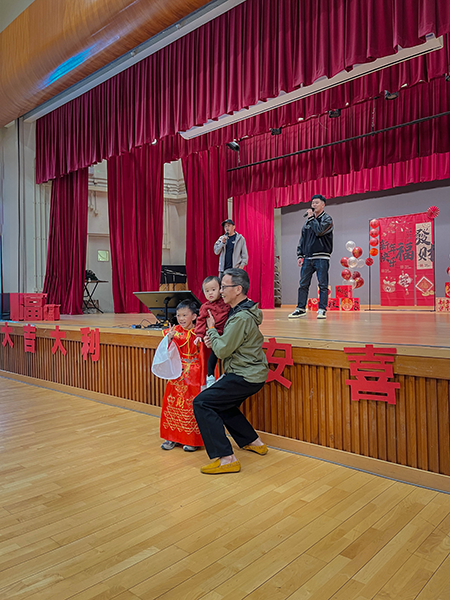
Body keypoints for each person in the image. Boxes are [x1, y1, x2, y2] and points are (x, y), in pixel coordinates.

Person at [193, 268, 269, 474]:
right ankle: (253, 442)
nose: (220, 291)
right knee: (223, 405)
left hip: (245, 374)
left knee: (202, 402)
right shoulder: (241, 311)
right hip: (250, 372)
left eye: (224, 287)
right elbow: (226, 343)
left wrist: (211, 330)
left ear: (238, 289)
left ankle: (227, 458)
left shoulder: (240, 317)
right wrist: (215, 338)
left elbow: (222, 350)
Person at [160, 300, 204, 452]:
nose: (181, 318)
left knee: (191, 405)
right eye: (178, 315)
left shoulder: (200, 332)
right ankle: (172, 437)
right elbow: (164, 350)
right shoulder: (175, 331)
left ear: (194, 316)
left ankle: (192, 440)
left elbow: (205, 353)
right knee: (172, 403)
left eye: (184, 315)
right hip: (177, 372)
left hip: (195, 373)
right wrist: (169, 339)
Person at [289, 194, 333, 320]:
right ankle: (300, 308)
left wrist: (311, 218)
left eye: (316, 203)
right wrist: (300, 255)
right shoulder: (308, 221)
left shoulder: (327, 219)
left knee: (323, 285)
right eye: (313, 203)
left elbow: (319, 231)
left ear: (323, 204)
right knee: (303, 284)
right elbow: (303, 239)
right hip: (308, 258)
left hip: (322, 257)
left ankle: (322, 309)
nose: (314, 205)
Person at [194, 276, 230, 388]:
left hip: (227, 333)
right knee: (213, 356)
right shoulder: (205, 307)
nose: (210, 293)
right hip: (214, 334)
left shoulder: (227, 301)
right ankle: (210, 376)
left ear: (220, 289)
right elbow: (200, 321)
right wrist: (199, 335)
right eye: (207, 291)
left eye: (213, 290)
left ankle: (227, 373)